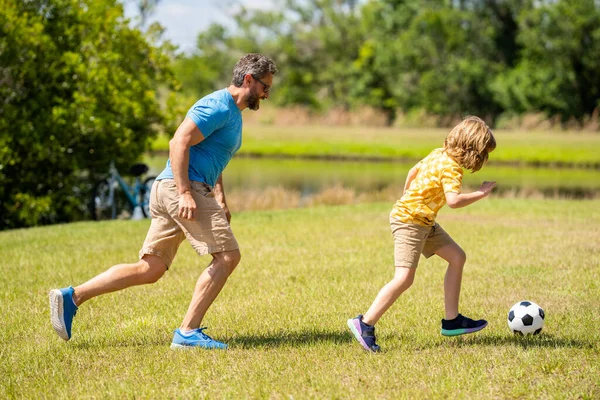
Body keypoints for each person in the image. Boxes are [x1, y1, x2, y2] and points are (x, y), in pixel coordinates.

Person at [49, 53, 278, 349]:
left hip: (180, 187)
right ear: (248, 79)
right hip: (181, 188)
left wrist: (219, 195)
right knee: (228, 256)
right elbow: (178, 142)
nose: (267, 94)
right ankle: (187, 332)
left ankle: (72, 297)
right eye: (265, 87)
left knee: (151, 268)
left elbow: (211, 155)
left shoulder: (232, 113)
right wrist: (184, 192)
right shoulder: (218, 105)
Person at [347, 116, 497, 352]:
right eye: (483, 154)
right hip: (411, 222)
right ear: (473, 150)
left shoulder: (439, 153)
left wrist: (408, 198)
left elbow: (412, 172)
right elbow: (454, 201)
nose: (482, 160)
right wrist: (481, 192)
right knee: (404, 278)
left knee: (457, 257)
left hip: (422, 220)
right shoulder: (452, 169)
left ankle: (452, 320)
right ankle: (364, 323)